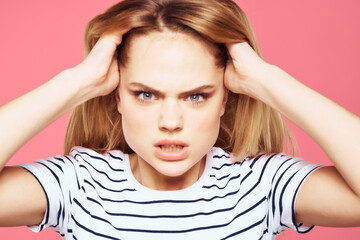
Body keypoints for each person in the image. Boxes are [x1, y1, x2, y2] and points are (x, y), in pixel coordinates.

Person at [0, 0, 359, 239]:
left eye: (196, 96)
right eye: (145, 94)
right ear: (117, 96)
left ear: (224, 99)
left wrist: (269, 81)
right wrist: (76, 82)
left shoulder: (261, 184)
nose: (170, 121)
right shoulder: (78, 184)